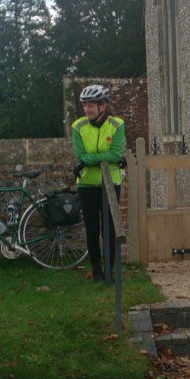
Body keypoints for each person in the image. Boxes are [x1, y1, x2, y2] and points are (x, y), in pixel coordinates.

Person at [71, 84, 126, 282]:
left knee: (109, 229)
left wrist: (87, 161)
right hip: (86, 185)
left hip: (110, 184)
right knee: (92, 230)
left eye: (91, 105)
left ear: (103, 106)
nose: (86, 110)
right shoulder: (78, 127)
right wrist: (99, 158)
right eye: (84, 106)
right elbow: (80, 154)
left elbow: (116, 153)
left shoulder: (117, 125)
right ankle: (96, 271)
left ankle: (110, 270)